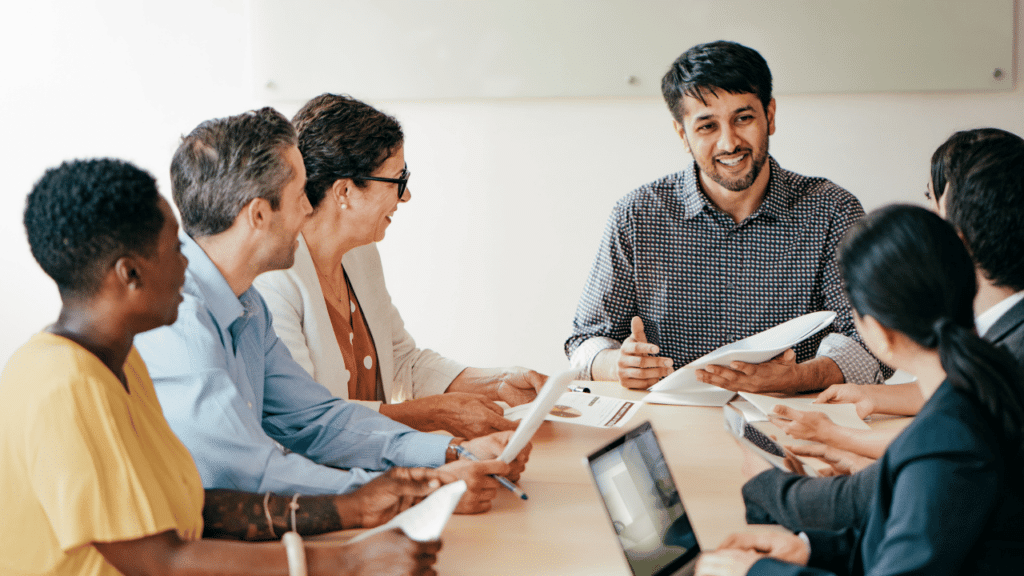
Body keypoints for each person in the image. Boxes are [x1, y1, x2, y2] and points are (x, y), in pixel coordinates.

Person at [2, 158, 444, 576]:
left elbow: (192, 508)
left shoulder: (119, 362)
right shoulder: (65, 386)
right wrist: (348, 562)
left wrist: (355, 506)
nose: (187, 264)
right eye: (175, 248)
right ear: (129, 273)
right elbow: (162, 562)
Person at [134, 108, 527, 513]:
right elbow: (251, 473)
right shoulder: (176, 319)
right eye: (301, 194)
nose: (309, 209)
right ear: (258, 215)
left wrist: (447, 453)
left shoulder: (246, 302)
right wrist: (423, 487)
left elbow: (319, 419)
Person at [697, 205, 1024, 575]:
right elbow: (911, 536)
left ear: (879, 333)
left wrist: (757, 573)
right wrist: (807, 550)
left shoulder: (948, 442)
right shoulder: (988, 385)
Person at [741, 128, 1024, 532]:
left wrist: (768, 486)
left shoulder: (1006, 361)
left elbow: (942, 454)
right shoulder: (993, 340)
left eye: (934, 205)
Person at [565, 40, 886, 393]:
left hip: (792, 420)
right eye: (707, 126)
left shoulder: (831, 211)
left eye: (743, 118)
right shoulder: (637, 215)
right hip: (669, 426)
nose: (729, 143)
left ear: (771, 116)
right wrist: (617, 364)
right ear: (682, 134)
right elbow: (585, 341)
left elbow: (876, 341)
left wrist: (800, 376)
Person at [253, 93, 545, 440]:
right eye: (397, 180)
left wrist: (498, 381)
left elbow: (402, 361)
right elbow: (307, 419)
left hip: (381, 462)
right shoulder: (274, 279)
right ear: (344, 190)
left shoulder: (360, 254)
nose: (405, 197)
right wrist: (435, 414)